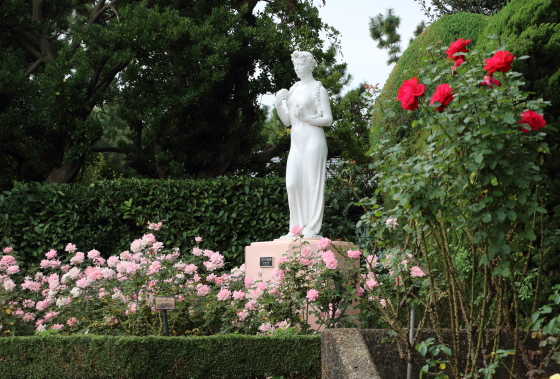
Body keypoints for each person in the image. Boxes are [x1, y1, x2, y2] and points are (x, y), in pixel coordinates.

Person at [275, 51, 333, 239]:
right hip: (297, 143)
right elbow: (287, 122)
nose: (297, 68)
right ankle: (297, 228)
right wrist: (278, 105)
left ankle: (311, 228)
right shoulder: (293, 90)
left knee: (313, 184)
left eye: (300, 64)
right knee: (292, 183)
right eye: (295, 65)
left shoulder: (318, 89)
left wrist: (307, 118)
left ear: (309, 65)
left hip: (313, 140)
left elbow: (328, 119)